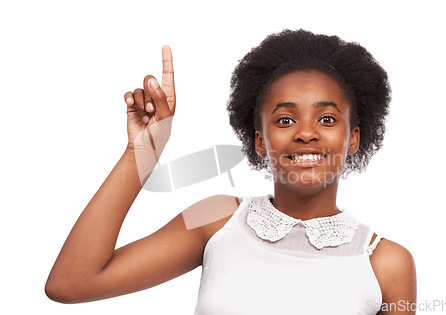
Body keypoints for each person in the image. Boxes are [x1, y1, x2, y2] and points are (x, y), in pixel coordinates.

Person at [45, 29, 416, 314]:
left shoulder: (385, 263)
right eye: (285, 119)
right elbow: (71, 283)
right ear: (259, 141)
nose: (306, 133)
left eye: (327, 118)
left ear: (353, 139)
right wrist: (142, 151)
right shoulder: (218, 218)